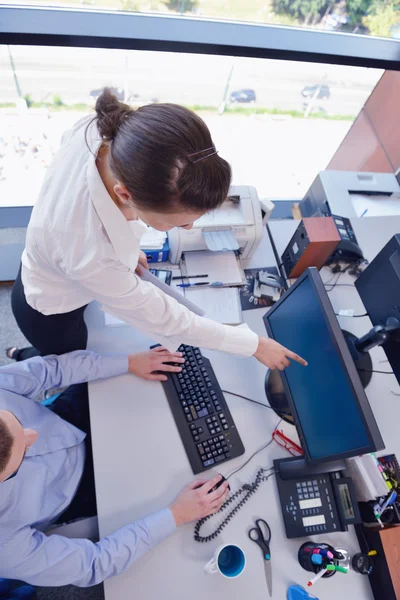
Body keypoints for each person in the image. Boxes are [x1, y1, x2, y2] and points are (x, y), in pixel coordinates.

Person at [9, 88, 306, 373]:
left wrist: (123, 249)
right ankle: (23, 356)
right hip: (50, 310)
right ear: (126, 195)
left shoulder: (106, 134)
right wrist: (253, 345)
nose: (189, 228)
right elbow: (171, 320)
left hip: (53, 265)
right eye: (179, 222)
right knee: (66, 357)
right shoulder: (91, 253)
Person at [0, 350, 229, 587]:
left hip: (66, 416)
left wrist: (127, 362)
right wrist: (177, 514)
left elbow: (52, 370)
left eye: (15, 418)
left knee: (161, 384)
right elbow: (93, 564)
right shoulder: (4, 546)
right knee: (169, 474)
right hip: (78, 488)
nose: (33, 434)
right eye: (23, 453)